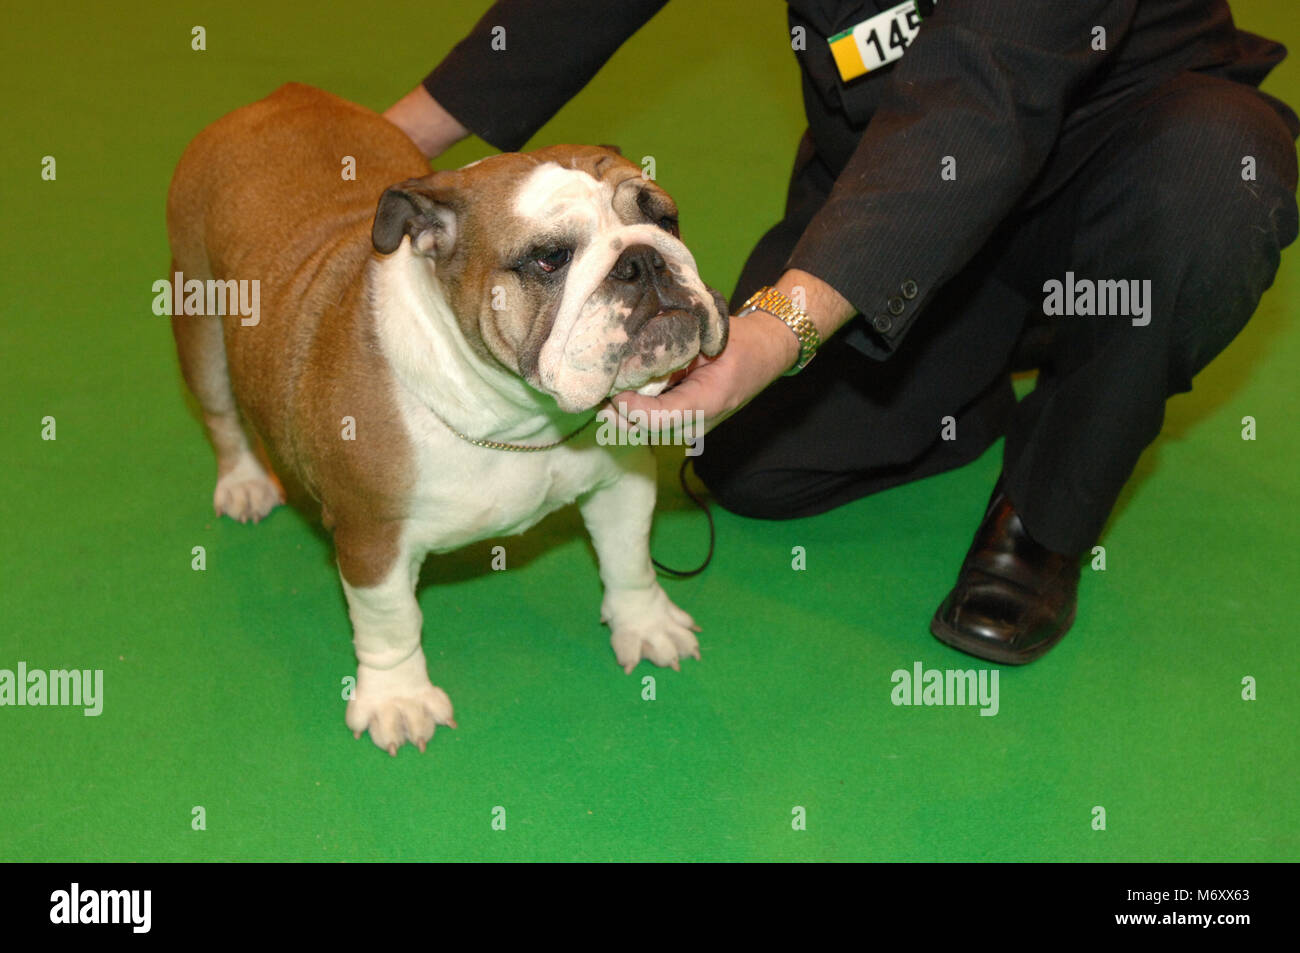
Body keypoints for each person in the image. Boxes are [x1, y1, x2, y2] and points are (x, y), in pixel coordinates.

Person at [384, 0, 1299, 664]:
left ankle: (1047, 508)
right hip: (894, 182)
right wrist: (387, 141)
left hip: (1129, 150)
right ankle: (986, 358)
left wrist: (776, 335)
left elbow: (985, 87)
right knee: (753, 466)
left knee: (1218, 182)